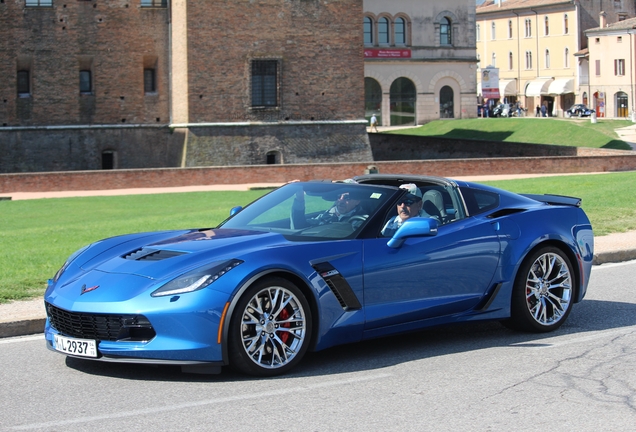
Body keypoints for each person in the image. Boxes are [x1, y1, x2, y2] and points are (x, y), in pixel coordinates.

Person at [291, 188, 368, 229]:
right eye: (338, 197)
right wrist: (299, 199)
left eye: (347, 198)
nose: (341, 200)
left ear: (357, 201)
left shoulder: (362, 221)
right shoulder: (328, 214)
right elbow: (301, 225)